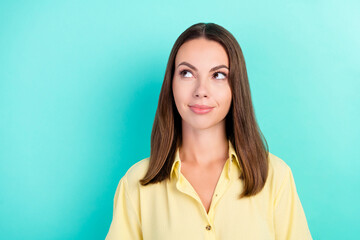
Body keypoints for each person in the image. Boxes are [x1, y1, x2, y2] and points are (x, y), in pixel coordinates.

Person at [105, 22, 312, 240]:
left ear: (235, 86)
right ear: (171, 83)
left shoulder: (276, 177)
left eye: (218, 75)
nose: (201, 91)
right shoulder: (136, 183)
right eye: (187, 73)